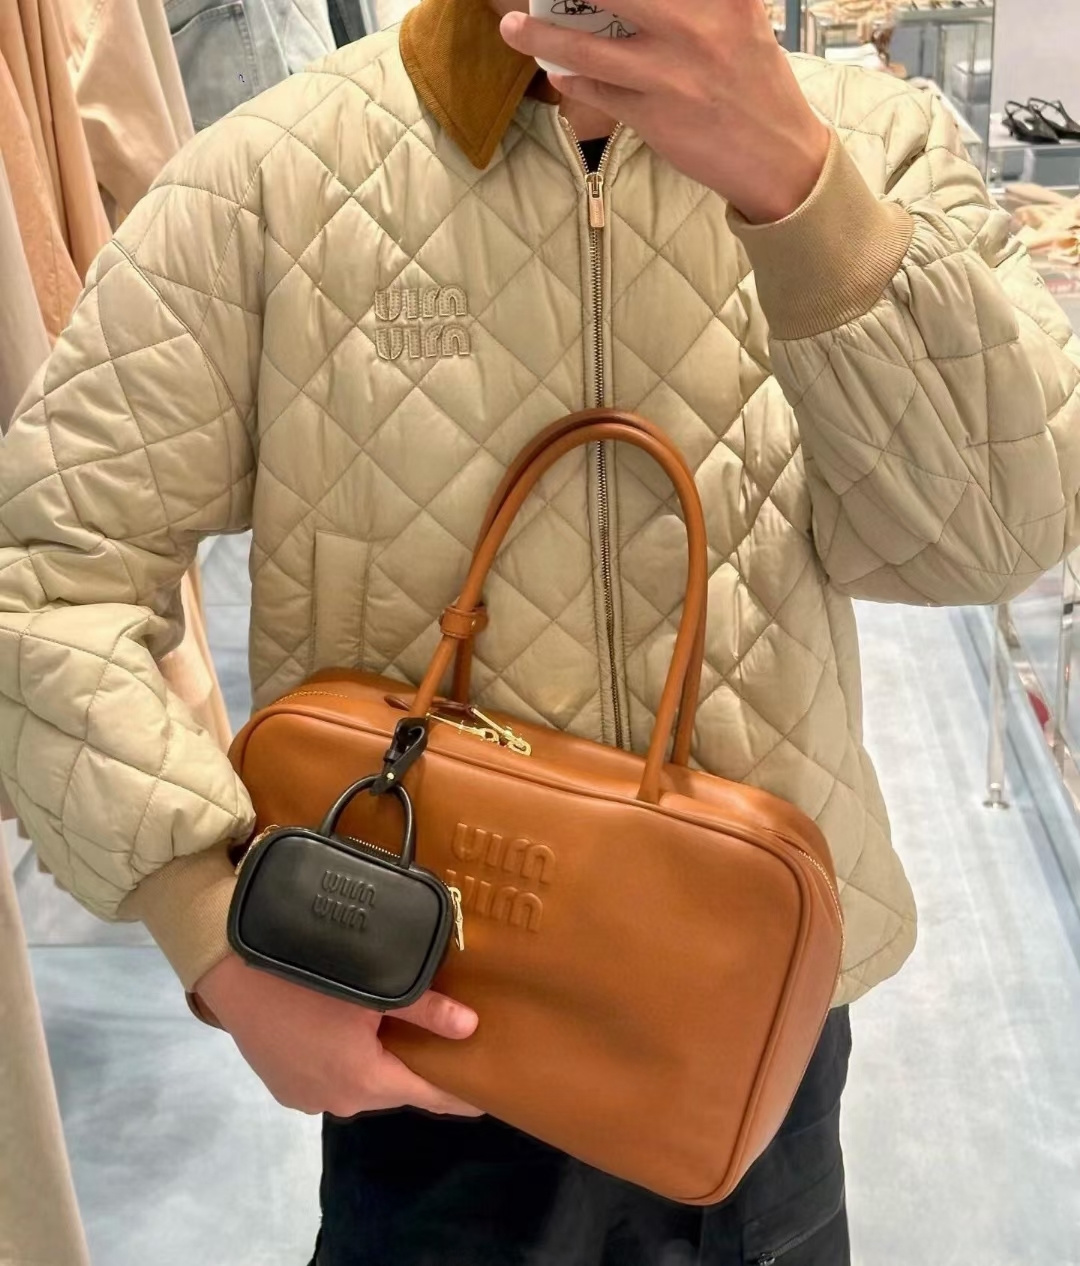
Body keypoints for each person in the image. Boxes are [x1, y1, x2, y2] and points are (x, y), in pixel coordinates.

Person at [1, 0, 1078, 1260]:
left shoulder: (875, 145)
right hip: (419, 1016)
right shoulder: (271, 178)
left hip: (750, 1021)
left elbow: (991, 542)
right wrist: (210, 934)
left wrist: (797, 187)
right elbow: (44, 581)